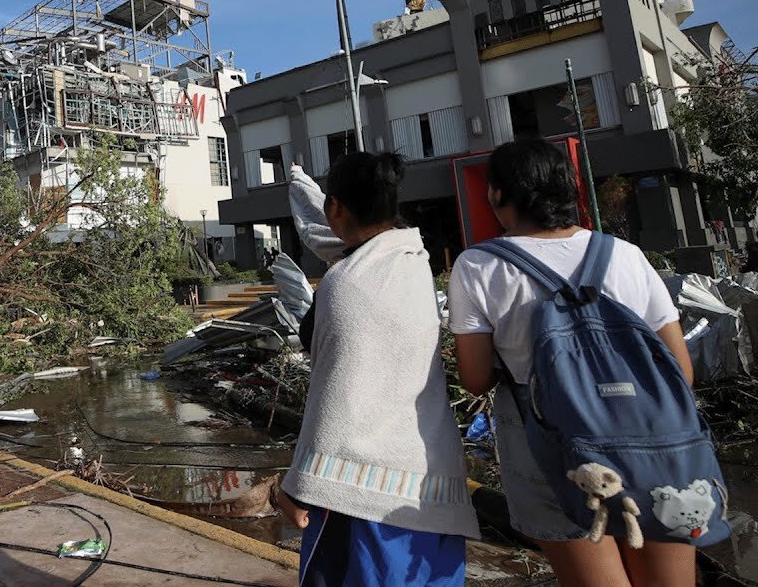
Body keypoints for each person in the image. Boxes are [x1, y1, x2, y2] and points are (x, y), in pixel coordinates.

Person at [448, 138, 695, 586]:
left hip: (550, 450)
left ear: (499, 195)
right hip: (650, 441)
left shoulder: (478, 266)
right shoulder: (625, 255)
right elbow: (681, 371)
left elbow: (475, 379)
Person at [272, 152, 478, 586]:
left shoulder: (344, 282)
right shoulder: (412, 259)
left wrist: (296, 481)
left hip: (363, 492)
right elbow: (328, 236)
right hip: (428, 476)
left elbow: (335, 393)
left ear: (337, 209)